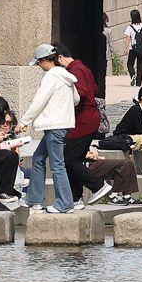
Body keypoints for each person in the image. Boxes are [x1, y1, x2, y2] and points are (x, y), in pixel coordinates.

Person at [18, 44, 80, 213]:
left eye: (39, 63)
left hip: (54, 126)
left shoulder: (51, 76)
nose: (39, 66)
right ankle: (34, 199)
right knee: (38, 157)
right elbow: (76, 99)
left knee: (57, 165)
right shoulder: (66, 76)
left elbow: (39, 101)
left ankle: (65, 203)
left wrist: (23, 122)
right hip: (63, 125)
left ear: (45, 61)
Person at [54, 46, 110, 205]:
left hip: (83, 120)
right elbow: (95, 89)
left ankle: (98, 186)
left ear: (60, 58)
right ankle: (76, 197)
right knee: (73, 159)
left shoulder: (74, 70)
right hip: (89, 119)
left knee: (69, 159)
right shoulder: (83, 68)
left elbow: (82, 92)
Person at [122, 11, 142, 84]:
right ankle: (139, 83)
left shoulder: (130, 27)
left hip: (133, 48)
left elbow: (128, 38)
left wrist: (126, 48)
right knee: (140, 65)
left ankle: (132, 75)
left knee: (129, 64)